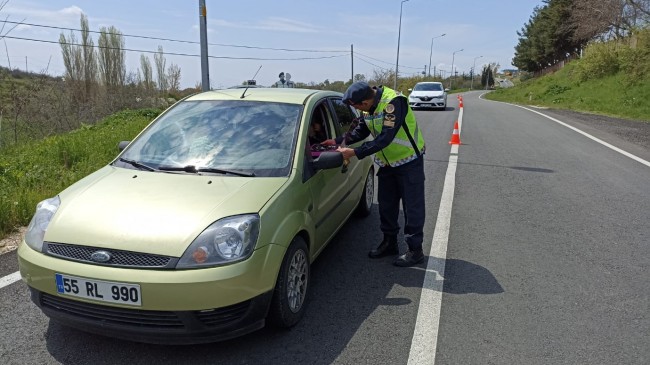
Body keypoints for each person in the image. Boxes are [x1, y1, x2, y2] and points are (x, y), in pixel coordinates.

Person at [321, 81, 426, 267]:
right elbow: (360, 130)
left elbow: (385, 138)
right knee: (386, 206)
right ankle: (389, 242)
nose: (359, 110)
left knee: (413, 207)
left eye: (358, 107)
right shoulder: (366, 107)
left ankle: (415, 250)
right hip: (387, 163)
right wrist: (338, 141)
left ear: (365, 101)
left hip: (409, 162)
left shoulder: (394, 103)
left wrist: (354, 153)